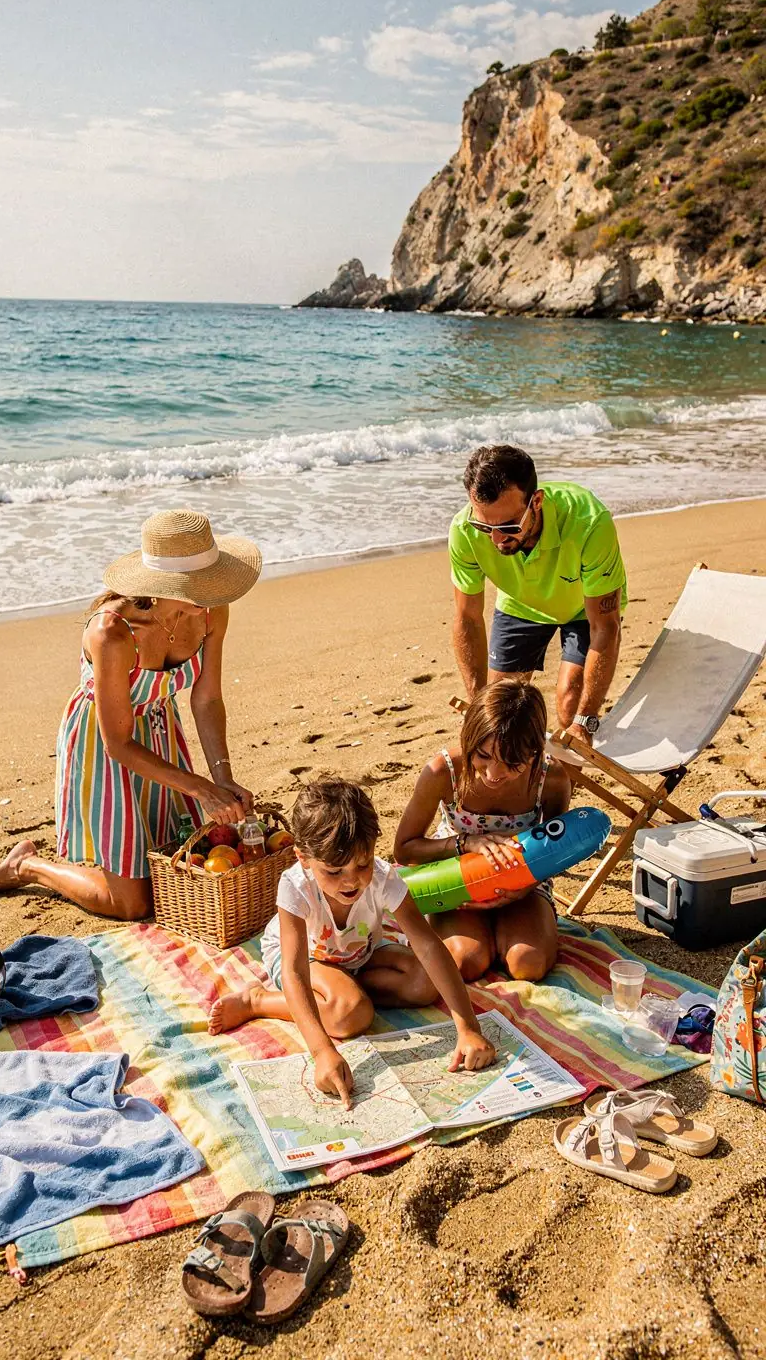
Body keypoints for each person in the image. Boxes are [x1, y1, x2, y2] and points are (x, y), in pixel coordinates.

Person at [0, 509, 261, 921]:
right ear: (162, 585)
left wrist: (221, 776)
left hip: (162, 732)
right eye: (199, 585)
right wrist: (200, 789)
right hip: (106, 746)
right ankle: (29, 866)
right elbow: (118, 743)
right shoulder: (111, 634)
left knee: (176, 871)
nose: (211, 592)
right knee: (133, 904)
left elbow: (206, 700)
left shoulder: (209, 610)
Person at [208, 777, 497, 1106]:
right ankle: (257, 1001)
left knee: (425, 983)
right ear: (303, 857)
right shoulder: (295, 886)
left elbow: (429, 946)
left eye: (362, 864)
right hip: (308, 960)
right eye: (333, 871)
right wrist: (322, 1052)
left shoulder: (384, 877)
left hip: (359, 954)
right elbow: (295, 971)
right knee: (351, 1016)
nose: (351, 880)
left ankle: (347, 993)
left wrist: (468, 1026)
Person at [394, 681, 571, 983]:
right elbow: (405, 849)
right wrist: (464, 843)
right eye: (484, 756)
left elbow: (557, 850)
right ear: (469, 740)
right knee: (465, 962)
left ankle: (505, 930)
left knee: (527, 964)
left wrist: (525, 888)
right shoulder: (443, 772)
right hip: (458, 880)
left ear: (535, 752)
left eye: (513, 763)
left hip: (523, 883)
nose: (493, 774)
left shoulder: (549, 778)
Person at [450, 444, 626, 745]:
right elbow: (467, 619)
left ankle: (562, 788)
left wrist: (585, 721)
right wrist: (478, 704)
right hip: (519, 603)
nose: (496, 539)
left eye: (508, 525)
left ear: (537, 501)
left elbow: (604, 627)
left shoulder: (589, 523)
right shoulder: (465, 530)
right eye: (484, 526)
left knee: (571, 703)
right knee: (497, 714)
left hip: (583, 607)